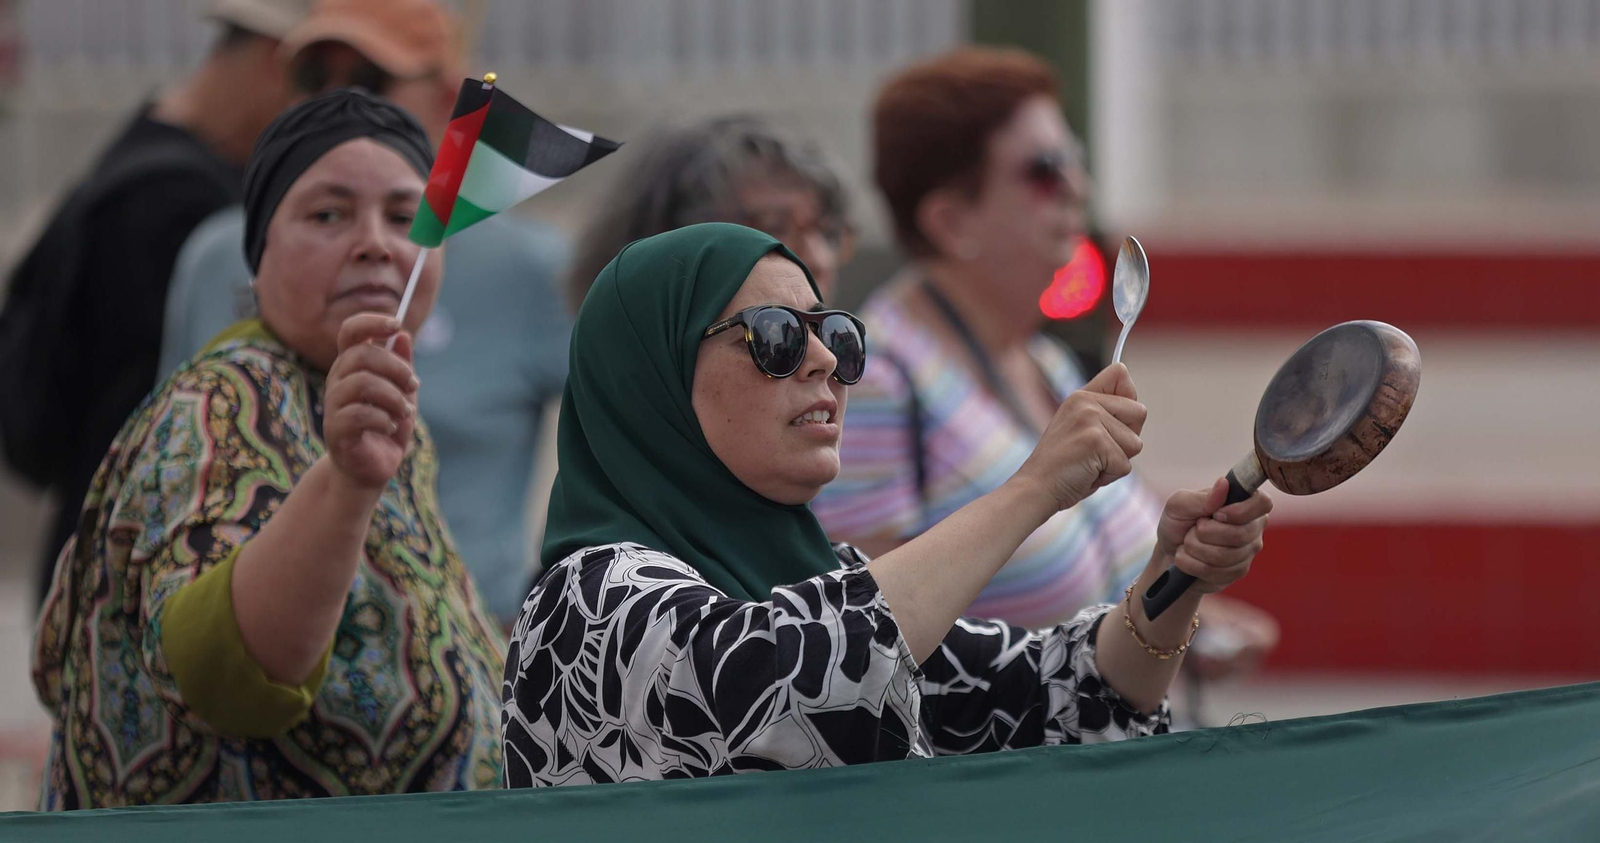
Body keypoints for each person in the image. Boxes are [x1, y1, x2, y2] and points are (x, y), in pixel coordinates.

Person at [501, 223, 1271, 786]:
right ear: (653, 378)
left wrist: (1176, 574)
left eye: (834, 332)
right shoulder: (587, 597)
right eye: (773, 336)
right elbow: (792, 684)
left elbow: (1066, 694)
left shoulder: (820, 576)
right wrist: (1034, 489)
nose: (828, 362)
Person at [32, 90, 502, 809]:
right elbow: (225, 677)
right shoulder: (222, 405)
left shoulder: (355, 403)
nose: (378, 242)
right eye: (327, 214)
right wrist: (345, 484)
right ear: (258, 259)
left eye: (407, 217)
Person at [809, 47, 1278, 682]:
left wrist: (1189, 614)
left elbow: (1104, 578)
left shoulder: (1044, 360)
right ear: (951, 221)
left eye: (1075, 160)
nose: (1077, 187)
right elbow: (867, 639)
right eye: (1044, 170)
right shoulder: (880, 378)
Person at [158, 0, 573, 627]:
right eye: (313, 76)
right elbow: (173, 461)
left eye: (370, 80)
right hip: (253, 637)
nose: (337, 99)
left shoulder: (532, 269)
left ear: (442, 102)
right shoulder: (217, 255)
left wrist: (551, 605)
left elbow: (638, 439)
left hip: (471, 653)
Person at [0, 0, 311, 607]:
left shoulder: (146, 151)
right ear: (280, 63)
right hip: (130, 582)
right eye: (321, 83)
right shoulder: (170, 205)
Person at [566, 114, 854, 306]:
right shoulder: (601, 396)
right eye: (774, 228)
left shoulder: (862, 382)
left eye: (827, 232)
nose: (818, 260)